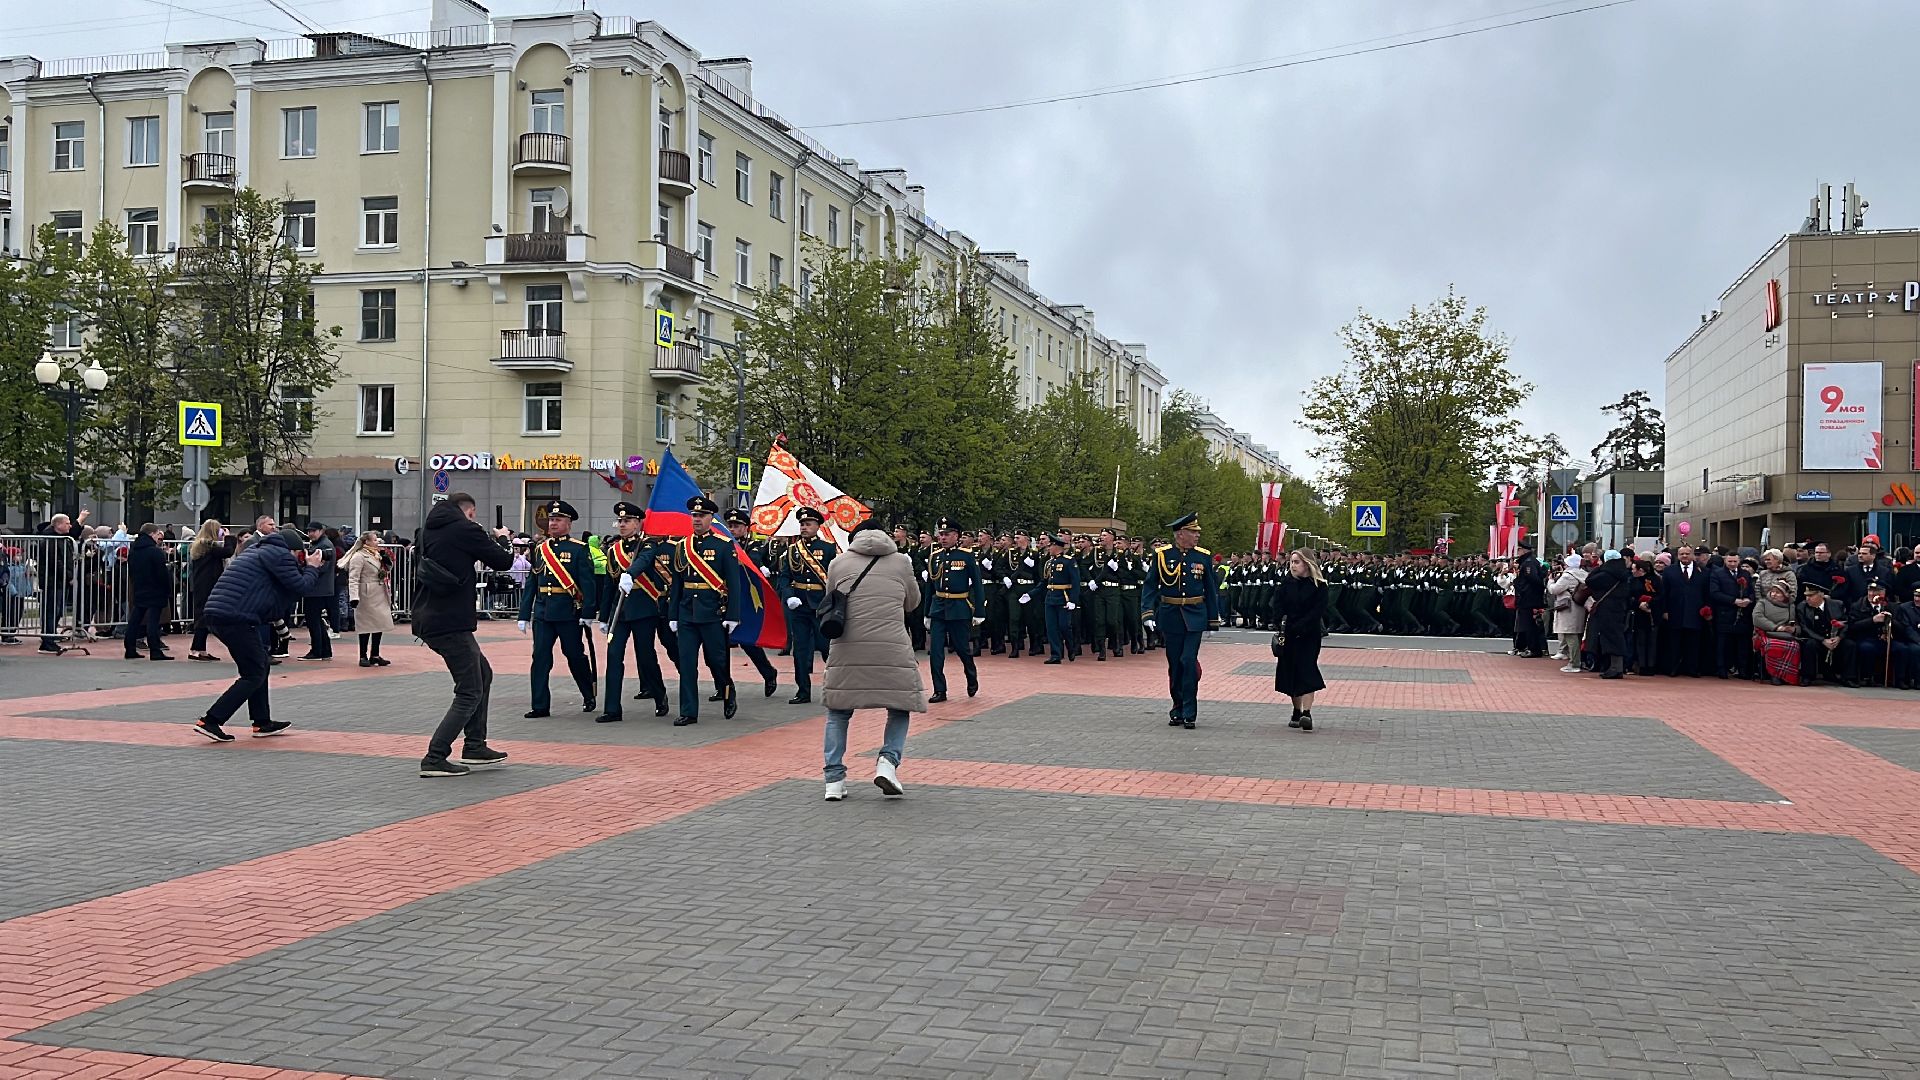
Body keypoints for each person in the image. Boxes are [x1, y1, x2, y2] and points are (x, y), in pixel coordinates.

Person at [818, 519, 926, 801]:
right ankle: (887, 763)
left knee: (838, 711)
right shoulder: (902, 561)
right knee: (899, 706)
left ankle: (834, 780)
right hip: (891, 646)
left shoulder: (838, 563)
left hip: (847, 647)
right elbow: (912, 602)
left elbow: (831, 598)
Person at [412, 492, 515, 776]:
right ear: (468, 512)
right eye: (473, 515)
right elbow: (504, 561)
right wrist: (503, 537)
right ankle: (435, 757)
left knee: (483, 673)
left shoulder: (427, 530)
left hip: (429, 615)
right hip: (449, 620)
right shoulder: (465, 529)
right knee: (470, 689)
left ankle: (475, 745)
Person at [191, 527, 320, 741]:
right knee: (254, 672)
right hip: (236, 618)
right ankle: (211, 720)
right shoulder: (279, 556)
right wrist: (312, 568)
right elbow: (301, 586)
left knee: (259, 665)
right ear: (293, 550)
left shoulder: (255, 551)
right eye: (299, 553)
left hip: (219, 614)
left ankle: (262, 722)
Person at [517, 500, 599, 718]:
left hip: (568, 612)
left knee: (574, 655)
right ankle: (540, 705)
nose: (552, 524)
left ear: (569, 523)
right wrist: (524, 614)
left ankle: (588, 694)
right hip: (543, 612)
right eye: (551, 520)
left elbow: (588, 583)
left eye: (558, 520)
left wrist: (588, 613)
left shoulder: (579, 550)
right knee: (541, 658)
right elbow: (532, 583)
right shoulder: (540, 549)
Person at [668, 496, 744, 726]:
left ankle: (727, 688)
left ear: (711, 518)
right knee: (687, 663)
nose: (697, 519)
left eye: (701, 516)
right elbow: (677, 584)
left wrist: (733, 615)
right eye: (694, 516)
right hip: (687, 613)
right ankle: (688, 711)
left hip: (712, 612)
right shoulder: (682, 546)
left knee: (718, 660)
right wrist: (673, 615)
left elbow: (734, 583)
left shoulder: (723, 545)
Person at [1141, 512, 1221, 730]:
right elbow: (1150, 586)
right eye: (1193, 532)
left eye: (1197, 532)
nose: (1197, 536)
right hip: (1170, 614)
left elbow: (1210, 589)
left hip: (1195, 615)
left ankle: (1189, 711)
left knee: (1188, 661)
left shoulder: (1203, 556)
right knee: (1175, 665)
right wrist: (1147, 613)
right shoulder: (1162, 555)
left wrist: (1213, 620)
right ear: (1180, 534)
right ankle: (1177, 707)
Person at [595, 502, 672, 722]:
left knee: (645, 656)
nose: (622, 524)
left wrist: (630, 573)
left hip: (643, 609)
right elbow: (610, 585)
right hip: (619, 612)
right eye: (620, 521)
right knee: (613, 656)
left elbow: (645, 561)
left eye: (627, 521)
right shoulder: (613, 551)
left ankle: (659, 695)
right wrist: (604, 617)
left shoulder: (647, 545)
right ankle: (612, 709)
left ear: (638, 523)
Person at [774, 506, 836, 705]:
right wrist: (789, 595)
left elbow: (833, 578)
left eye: (808, 524)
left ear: (818, 526)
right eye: (802, 524)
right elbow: (784, 577)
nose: (804, 527)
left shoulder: (828, 548)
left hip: (820, 606)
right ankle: (802, 690)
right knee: (800, 650)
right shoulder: (792, 550)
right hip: (799, 606)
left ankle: (838, 687)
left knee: (827, 649)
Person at [924, 517, 983, 703]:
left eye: (947, 534)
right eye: (940, 534)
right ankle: (939, 690)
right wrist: (926, 612)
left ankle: (971, 675)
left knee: (962, 649)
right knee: (936, 652)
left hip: (959, 608)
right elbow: (930, 587)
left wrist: (979, 611)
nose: (943, 538)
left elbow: (978, 586)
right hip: (939, 608)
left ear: (956, 536)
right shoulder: (935, 556)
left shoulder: (966, 556)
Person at [724, 508, 781, 698]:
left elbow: (754, 560)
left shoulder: (754, 546)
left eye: (736, 526)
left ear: (746, 528)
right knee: (719, 645)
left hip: (747, 601)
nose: (732, 529)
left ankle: (768, 672)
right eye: (730, 526)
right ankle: (723, 685)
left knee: (749, 643)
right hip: (725, 599)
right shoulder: (723, 545)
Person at [1271, 549, 1329, 730]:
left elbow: (1317, 611)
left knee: (1307, 669)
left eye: (1297, 562)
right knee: (1290, 672)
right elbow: (1276, 606)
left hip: (1308, 635)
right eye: (1291, 562)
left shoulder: (1319, 585)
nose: (1293, 565)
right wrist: (1280, 623)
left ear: (1307, 564)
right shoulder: (1285, 584)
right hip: (1288, 635)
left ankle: (1307, 713)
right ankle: (1296, 710)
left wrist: (1301, 626)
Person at [341, 531, 395, 667]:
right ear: (367, 542)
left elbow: (387, 569)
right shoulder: (359, 556)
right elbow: (353, 578)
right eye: (375, 540)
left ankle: (375, 654)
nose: (378, 542)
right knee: (365, 626)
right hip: (366, 593)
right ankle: (363, 655)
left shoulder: (377, 554)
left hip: (379, 591)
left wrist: (386, 560)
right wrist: (354, 596)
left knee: (379, 623)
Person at [186, 519, 236, 662]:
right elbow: (228, 551)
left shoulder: (200, 545)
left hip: (202, 585)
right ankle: (195, 649)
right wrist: (229, 537)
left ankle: (200, 649)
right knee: (203, 618)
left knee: (204, 617)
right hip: (207, 585)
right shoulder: (207, 545)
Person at [123, 523, 173, 661]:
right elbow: (162, 574)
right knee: (153, 621)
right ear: (152, 534)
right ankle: (155, 650)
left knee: (135, 619)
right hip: (155, 589)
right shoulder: (155, 552)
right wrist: (167, 589)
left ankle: (130, 648)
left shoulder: (134, 550)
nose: (159, 537)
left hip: (139, 588)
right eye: (158, 534)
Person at [295, 522, 336, 661]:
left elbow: (321, 567)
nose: (311, 533)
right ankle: (324, 650)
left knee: (313, 620)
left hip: (317, 588)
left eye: (313, 531)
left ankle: (317, 650)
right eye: (309, 531)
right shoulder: (321, 544)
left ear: (321, 531)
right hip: (320, 588)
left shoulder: (323, 546)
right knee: (317, 620)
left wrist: (306, 568)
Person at [1040, 532, 1080, 664]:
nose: (1049, 548)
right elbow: (1045, 581)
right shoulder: (1049, 562)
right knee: (1051, 627)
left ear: (1057, 546)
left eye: (1050, 545)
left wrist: (1073, 601)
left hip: (1064, 597)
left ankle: (1071, 646)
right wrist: (1030, 594)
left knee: (1064, 626)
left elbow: (1075, 582)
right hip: (1050, 597)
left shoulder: (1069, 561)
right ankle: (1056, 654)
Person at [1795, 580, 1844, 687]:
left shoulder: (1837, 604)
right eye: (1806, 595)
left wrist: (1839, 637)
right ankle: (1807, 676)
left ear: (1821, 595)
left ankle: (1848, 677)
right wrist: (1822, 640)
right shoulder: (1802, 607)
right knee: (1810, 645)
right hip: (1815, 638)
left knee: (1850, 645)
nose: (1808, 598)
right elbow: (1805, 628)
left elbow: (1846, 622)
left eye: (1811, 596)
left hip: (1833, 637)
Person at [1546, 553, 1588, 673]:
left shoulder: (1568, 576)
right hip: (1580, 607)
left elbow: (1554, 589)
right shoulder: (1583, 574)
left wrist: (1550, 581)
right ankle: (1577, 660)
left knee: (1570, 635)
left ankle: (1574, 663)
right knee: (1577, 634)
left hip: (1568, 608)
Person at [1511, 543, 1548, 658]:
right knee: (1529, 624)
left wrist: (1520, 587)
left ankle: (1534, 649)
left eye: (1519, 549)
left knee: (1529, 625)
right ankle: (1531, 647)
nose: (1518, 552)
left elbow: (1533, 579)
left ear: (1524, 550)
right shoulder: (1528, 561)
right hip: (1528, 598)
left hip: (1529, 599)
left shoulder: (1528, 563)